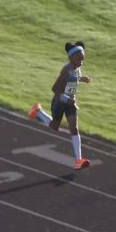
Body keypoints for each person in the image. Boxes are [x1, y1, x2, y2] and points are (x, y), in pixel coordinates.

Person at [30, 41, 92, 170]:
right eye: (79, 58)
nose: (81, 61)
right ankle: (38, 112)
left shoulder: (77, 69)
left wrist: (82, 79)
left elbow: (74, 80)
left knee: (74, 128)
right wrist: (65, 98)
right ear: (71, 57)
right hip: (59, 102)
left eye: (82, 59)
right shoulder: (66, 70)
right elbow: (55, 89)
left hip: (70, 102)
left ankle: (79, 160)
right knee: (54, 126)